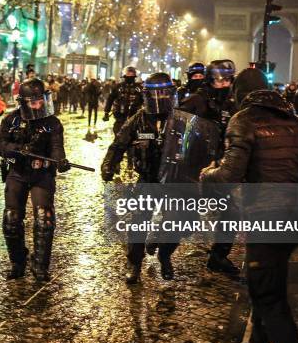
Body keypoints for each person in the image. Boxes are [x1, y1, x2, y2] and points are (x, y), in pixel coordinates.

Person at [200, 67, 298, 343]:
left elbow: (228, 175)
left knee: (270, 299)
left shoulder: (243, 120)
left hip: (267, 218)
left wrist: (206, 175)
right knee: (264, 283)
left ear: (239, 94)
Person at [157, 59, 239, 277]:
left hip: (219, 167)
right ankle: (165, 254)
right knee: (184, 220)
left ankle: (218, 257)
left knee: (231, 213)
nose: (224, 84)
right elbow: (176, 127)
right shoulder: (196, 100)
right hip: (192, 168)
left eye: (228, 80)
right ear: (211, 79)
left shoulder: (233, 104)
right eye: (220, 80)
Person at [0, 78, 70, 281]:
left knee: (44, 219)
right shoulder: (12, 120)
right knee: (11, 219)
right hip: (17, 172)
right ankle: (18, 262)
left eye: (41, 100)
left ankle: (40, 265)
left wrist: (60, 160)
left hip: (42, 174)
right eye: (34, 101)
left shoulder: (52, 123)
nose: (39, 105)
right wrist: (17, 150)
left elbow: (56, 146)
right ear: (24, 102)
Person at [101, 73, 174, 283]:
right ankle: (134, 262)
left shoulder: (179, 118)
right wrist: (108, 164)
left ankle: (165, 255)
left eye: (163, 93)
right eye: (154, 93)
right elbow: (119, 143)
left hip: (173, 181)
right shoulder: (139, 118)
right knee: (138, 223)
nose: (159, 98)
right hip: (148, 178)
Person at [103, 66, 143, 138]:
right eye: (128, 75)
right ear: (124, 76)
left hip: (134, 117)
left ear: (134, 76)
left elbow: (145, 101)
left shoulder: (139, 88)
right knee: (119, 137)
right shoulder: (118, 87)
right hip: (120, 116)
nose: (129, 77)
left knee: (133, 137)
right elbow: (110, 99)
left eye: (131, 75)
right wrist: (106, 112)